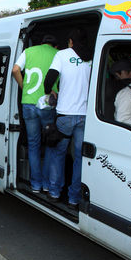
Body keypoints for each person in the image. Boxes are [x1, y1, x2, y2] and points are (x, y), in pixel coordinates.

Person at [43, 29, 92, 208]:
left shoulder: (62, 55)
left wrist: (51, 92)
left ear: (70, 41)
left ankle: (55, 192)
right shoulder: (91, 57)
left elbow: (49, 80)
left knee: (58, 155)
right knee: (80, 157)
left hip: (64, 114)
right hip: (85, 116)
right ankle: (74, 198)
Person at [11, 35, 58, 193]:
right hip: (47, 104)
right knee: (50, 143)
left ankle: (36, 184)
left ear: (42, 43)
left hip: (29, 103)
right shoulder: (58, 54)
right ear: (54, 45)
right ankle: (47, 184)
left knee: (33, 145)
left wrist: (24, 86)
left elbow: (15, 69)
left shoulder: (29, 51)